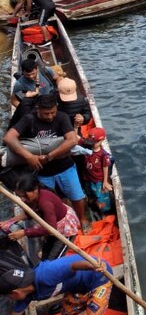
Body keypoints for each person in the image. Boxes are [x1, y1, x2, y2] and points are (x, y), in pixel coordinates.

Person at [3, 94, 86, 229]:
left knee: (76, 195)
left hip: (65, 165)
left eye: (52, 112)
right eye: (46, 113)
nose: (50, 116)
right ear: (37, 109)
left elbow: (72, 140)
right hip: (42, 170)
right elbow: (9, 138)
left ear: (56, 108)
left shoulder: (62, 117)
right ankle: (55, 223)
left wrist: (49, 156)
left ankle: (82, 219)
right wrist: (29, 156)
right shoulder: (29, 119)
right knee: (49, 201)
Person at [0, 256, 113, 315]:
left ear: (15, 292)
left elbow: (74, 265)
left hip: (98, 277)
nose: (11, 299)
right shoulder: (25, 295)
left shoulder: (46, 274)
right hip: (77, 288)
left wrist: (93, 266)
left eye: (9, 296)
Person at [4, 175, 81, 259]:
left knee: (53, 261)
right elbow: (30, 213)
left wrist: (24, 232)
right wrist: (10, 221)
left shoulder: (45, 203)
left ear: (35, 190)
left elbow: (50, 228)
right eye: (20, 196)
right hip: (52, 226)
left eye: (25, 196)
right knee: (45, 257)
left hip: (65, 230)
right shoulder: (32, 198)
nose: (23, 200)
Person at [80, 127, 113, 216]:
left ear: (101, 140)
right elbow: (79, 139)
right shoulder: (87, 149)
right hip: (87, 177)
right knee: (89, 192)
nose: (92, 144)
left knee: (100, 197)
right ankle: (92, 205)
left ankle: (104, 212)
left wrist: (105, 181)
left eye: (94, 143)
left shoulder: (103, 155)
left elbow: (105, 167)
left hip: (97, 180)